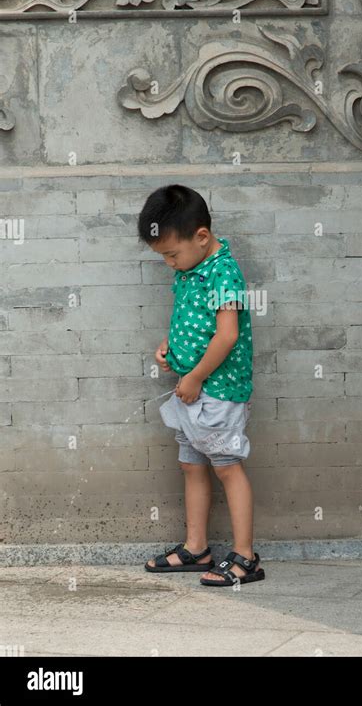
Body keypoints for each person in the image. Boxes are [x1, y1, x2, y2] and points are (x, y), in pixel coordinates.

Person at [137, 184, 265, 587]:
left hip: (218, 391)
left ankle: (246, 557)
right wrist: (169, 347)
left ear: (202, 237)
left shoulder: (224, 272)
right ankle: (197, 548)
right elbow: (191, 321)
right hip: (192, 389)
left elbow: (226, 336)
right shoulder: (189, 269)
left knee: (227, 468)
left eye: (172, 254)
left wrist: (193, 377)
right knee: (191, 465)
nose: (169, 263)